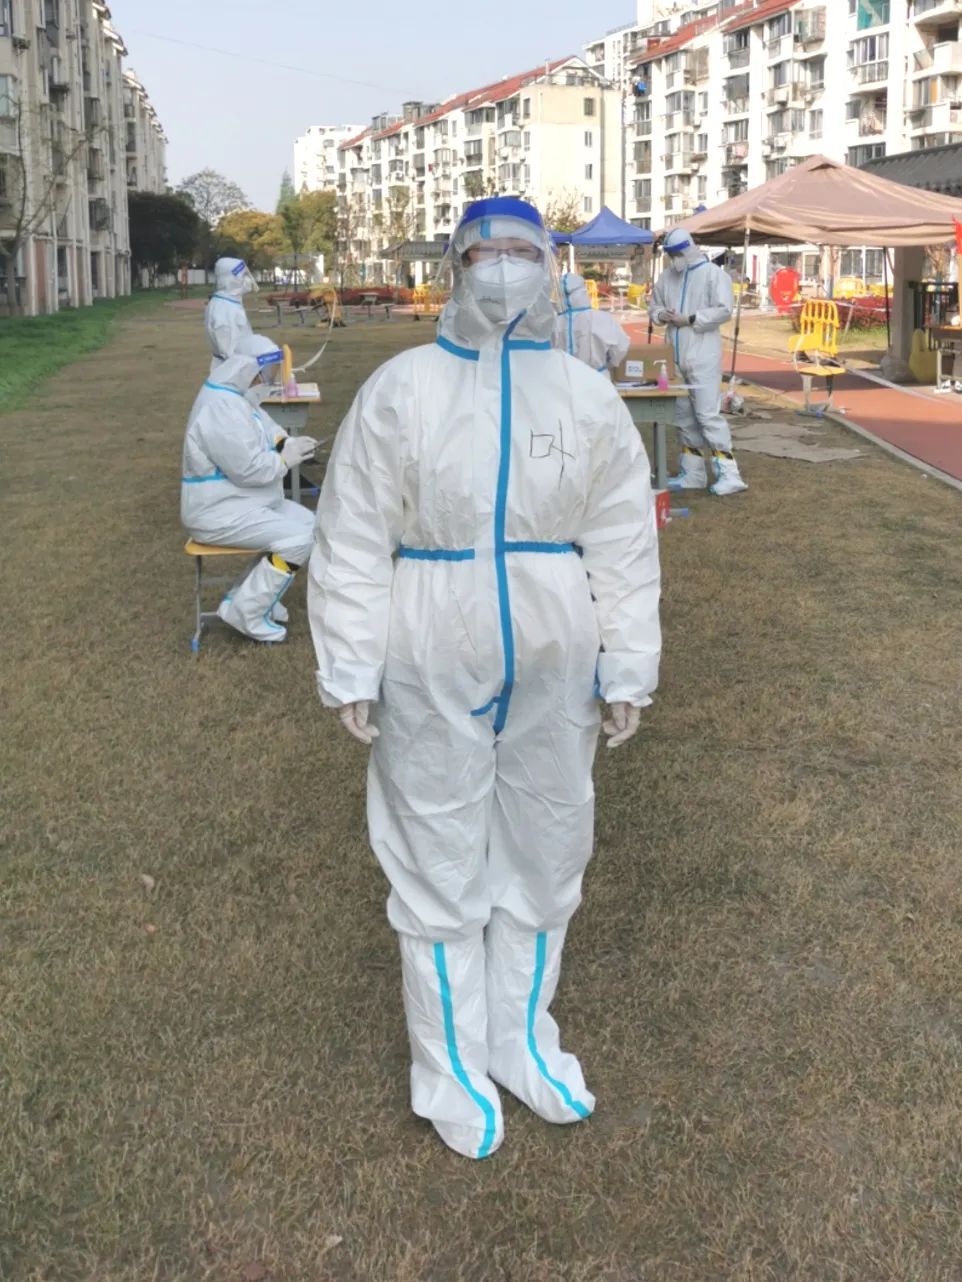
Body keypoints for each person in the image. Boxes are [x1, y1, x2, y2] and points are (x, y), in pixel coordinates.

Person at [307, 196, 662, 1159]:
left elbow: (623, 538)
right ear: (455, 267)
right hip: (428, 639)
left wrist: (628, 662)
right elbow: (352, 535)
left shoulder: (582, 395)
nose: (503, 267)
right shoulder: (401, 389)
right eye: (483, 252)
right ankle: (451, 1066)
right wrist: (350, 661)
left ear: (549, 264)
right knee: (436, 853)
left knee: (548, 847)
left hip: (556, 646)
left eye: (521, 250)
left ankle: (521, 1040)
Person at [181, 336, 317, 642]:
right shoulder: (220, 408)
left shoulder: (236, 397)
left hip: (240, 503)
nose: (269, 380)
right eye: (267, 373)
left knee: (310, 524)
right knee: (297, 539)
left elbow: (267, 427)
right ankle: (247, 612)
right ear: (248, 370)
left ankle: (252, 596)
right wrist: (285, 459)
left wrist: (287, 443)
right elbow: (249, 470)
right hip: (216, 512)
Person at [648, 228, 748, 496]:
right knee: (683, 415)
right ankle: (692, 472)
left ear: (688, 249)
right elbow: (654, 307)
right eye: (670, 255)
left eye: (677, 254)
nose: (674, 259)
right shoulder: (667, 276)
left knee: (707, 414)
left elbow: (723, 310)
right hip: (674, 354)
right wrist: (662, 315)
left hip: (703, 353)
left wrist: (691, 319)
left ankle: (729, 474)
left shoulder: (713, 274)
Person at [553, 272, 631, 375]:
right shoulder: (604, 319)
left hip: (564, 379)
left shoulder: (554, 322)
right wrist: (608, 363)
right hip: (598, 377)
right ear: (584, 292)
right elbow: (621, 347)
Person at [205, 257, 258, 374]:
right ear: (231, 279)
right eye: (243, 276)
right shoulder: (224, 309)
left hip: (236, 369)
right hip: (232, 373)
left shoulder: (227, 303)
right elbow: (230, 351)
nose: (247, 280)